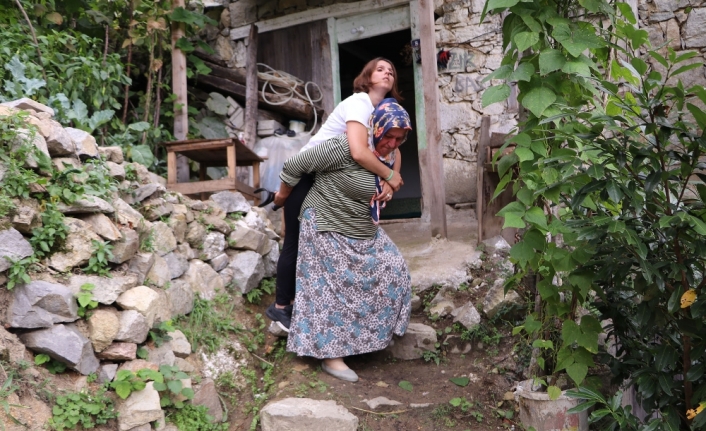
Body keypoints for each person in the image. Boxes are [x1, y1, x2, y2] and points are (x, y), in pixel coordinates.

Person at [276, 99, 413, 382]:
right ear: (375, 128)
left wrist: (389, 184)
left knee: (393, 268)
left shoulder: (390, 156)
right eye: (388, 135)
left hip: (362, 226)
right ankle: (331, 356)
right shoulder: (343, 148)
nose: (392, 143)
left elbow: (389, 179)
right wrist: (281, 197)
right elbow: (294, 164)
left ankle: (365, 339)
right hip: (326, 222)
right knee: (333, 290)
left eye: (399, 138)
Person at [265, 58, 406, 332]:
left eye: (391, 71)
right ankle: (281, 307)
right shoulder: (360, 102)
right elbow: (358, 151)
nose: (387, 73)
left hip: (325, 173)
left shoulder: (383, 111)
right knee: (294, 240)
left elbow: (394, 148)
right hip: (306, 172)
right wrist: (390, 176)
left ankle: (302, 304)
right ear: (367, 76)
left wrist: (390, 181)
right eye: (380, 69)